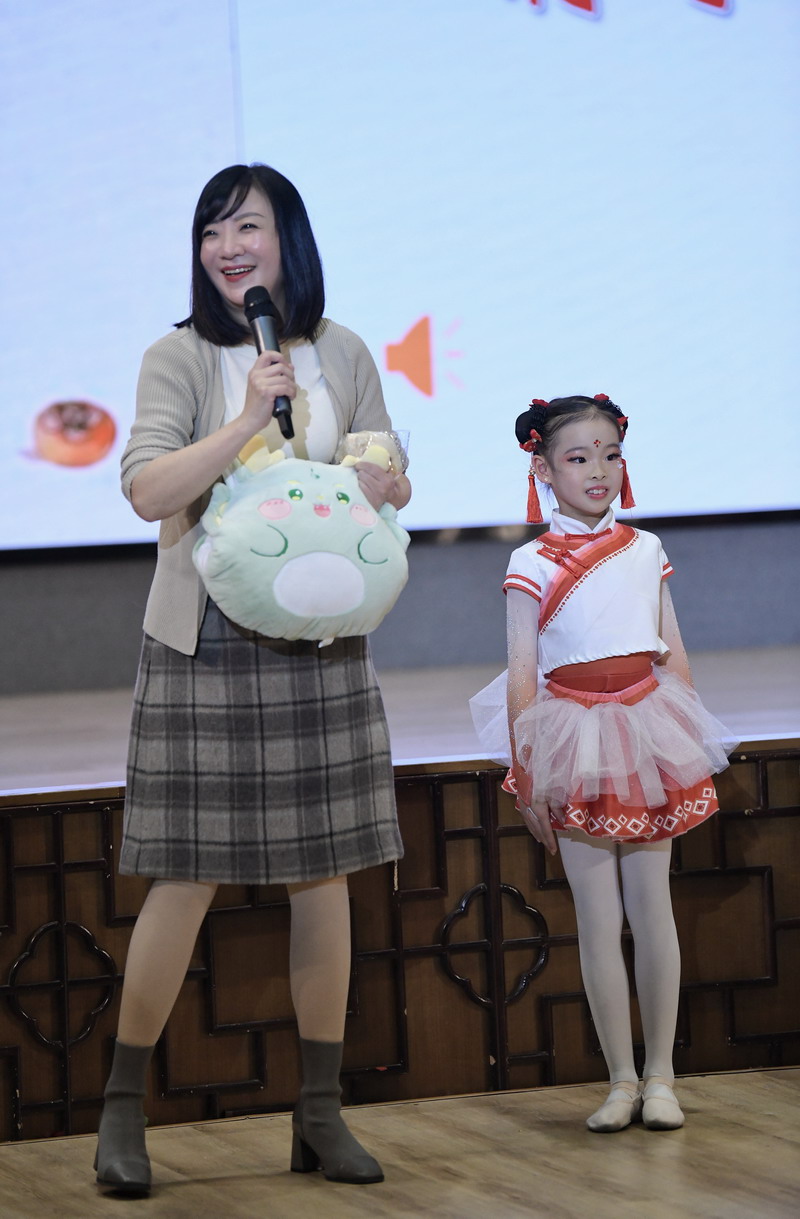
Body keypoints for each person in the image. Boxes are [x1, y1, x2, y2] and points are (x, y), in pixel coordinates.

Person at [95, 163, 411, 1195]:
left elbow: (386, 469)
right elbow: (147, 489)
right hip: (208, 646)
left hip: (321, 641)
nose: (228, 248)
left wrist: (385, 481)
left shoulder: (344, 349)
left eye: (247, 228)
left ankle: (319, 1113)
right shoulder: (179, 355)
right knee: (184, 875)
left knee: (324, 876)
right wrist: (243, 419)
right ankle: (121, 1111)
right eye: (212, 231)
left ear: (289, 241)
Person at [470, 394, 735, 1134]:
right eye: (578, 457)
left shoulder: (645, 547)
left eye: (610, 455)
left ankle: (661, 1076)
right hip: (572, 740)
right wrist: (527, 775)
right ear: (543, 469)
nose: (598, 470)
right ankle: (620, 1077)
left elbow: (671, 648)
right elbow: (523, 671)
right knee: (596, 917)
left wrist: (685, 739)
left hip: (648, 731)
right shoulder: (529, 561)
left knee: (653, 909)